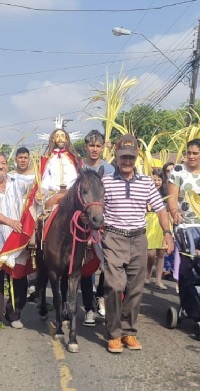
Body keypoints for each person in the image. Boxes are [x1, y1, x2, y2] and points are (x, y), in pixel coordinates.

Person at [101, 134, 174, 353]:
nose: (127, 162)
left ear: (136, 158)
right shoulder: (105, 182)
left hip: (138, 239)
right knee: (114, 285)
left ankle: (129, 332)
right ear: (116, 156)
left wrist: (167, 232)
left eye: (131, 158)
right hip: (113, 236)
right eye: (123, 157)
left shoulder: (145, 183)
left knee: (135, 287)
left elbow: (160, 208)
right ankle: (114, 333)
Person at [0, 152, 34, 333]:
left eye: (3, 163)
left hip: (16, 240)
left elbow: (37, 182)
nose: (1, 166)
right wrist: (11, 222)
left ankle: (14, 314)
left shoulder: (17, 181)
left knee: (18, 278)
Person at [82, 130, 115, 323]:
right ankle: (88, 308)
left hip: (104, 222)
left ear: (103, 148)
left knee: (106, 264)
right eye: (91, 145)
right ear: (86, 147)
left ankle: (101, 296)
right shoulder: (77, 167)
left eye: (98, 146)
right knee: (86, 267)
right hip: (82, 223)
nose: (95, 149)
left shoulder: (109, 170)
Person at [146, 168, 168, 289]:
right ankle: (148, 273)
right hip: (149, 222)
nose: (157, 182)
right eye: (154, 180)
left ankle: (158, 280)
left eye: (159, 180)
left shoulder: (166, 193)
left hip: (162, 223)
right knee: (150, 253)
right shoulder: (146, 192)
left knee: (161, 252)